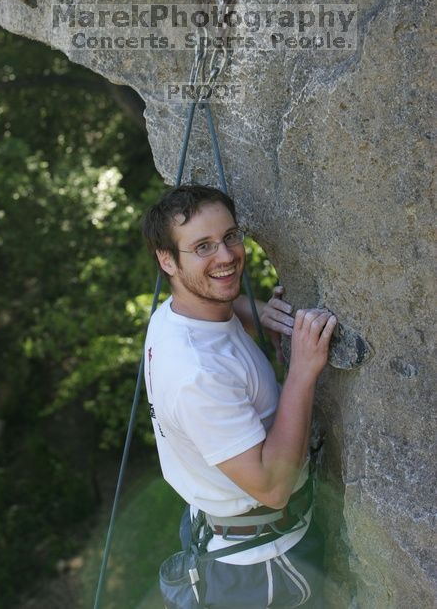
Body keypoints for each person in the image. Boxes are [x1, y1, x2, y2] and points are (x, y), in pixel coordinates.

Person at [142, 184, 337, 608]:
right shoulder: (197, 375)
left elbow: (215, 316)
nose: (227, 255)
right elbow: (272, 487)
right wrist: (303, 370)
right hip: (263, 567)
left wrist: (256, 312)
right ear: (168, 260)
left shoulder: (170, 319)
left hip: (216, 527)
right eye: (203, 246)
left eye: (230, 236)